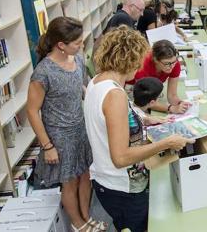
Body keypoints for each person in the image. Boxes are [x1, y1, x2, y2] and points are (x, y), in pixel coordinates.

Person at [84, 26, 192, 231]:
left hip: (107, 182)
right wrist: (167, 142)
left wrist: (144, 118)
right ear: (130, 59)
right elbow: (121, 158)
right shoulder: (114, 94)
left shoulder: (97, 81)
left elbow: (111, 120)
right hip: (122, 187)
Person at [27, 17, 105, 232]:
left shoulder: (77, 60)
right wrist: (47, 146)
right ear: (61, 45)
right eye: (77, 43)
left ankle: (86, 216)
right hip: (59, 136)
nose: (81, 46)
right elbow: (32, 111)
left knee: (85, 175)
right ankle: (77, 223)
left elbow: (82, 86)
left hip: (80, 128)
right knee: (69, 181)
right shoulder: (43, 73)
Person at [127, 40, 191, 114]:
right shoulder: (143, 66)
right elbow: (145, 101)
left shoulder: (174, 64)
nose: (171, 67)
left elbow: (172, 95)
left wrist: (181, 104)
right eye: (167, 63)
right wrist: (170, 108)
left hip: (150, 88)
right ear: (155, 60)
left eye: (174, 62)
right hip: (130, 87)